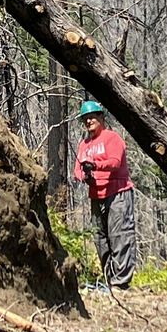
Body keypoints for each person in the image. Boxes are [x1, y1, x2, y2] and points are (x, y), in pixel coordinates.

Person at [72, 100, 136, 290]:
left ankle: (121, 282)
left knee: (120, 236)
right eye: (85, 118)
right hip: (96, 195)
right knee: (100, 239)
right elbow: (77, 170)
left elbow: (115, 163)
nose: (89, 121)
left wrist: (95, 165)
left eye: (92, 117)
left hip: (118, 193)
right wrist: (85, 176)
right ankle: (110, 280)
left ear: (101, 117)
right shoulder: (84, 144)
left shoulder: (112, 138)